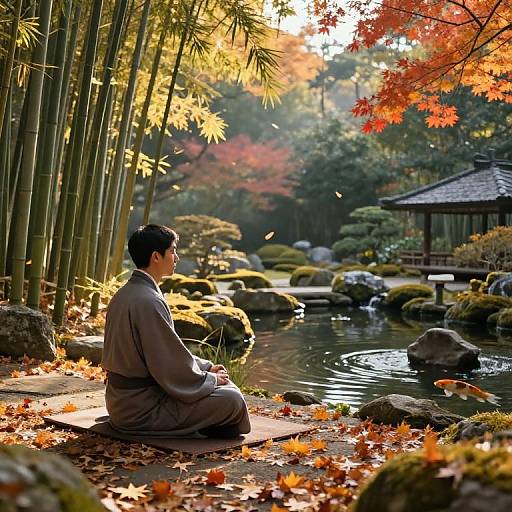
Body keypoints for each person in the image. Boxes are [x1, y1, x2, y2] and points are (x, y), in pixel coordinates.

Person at [101, 224, 251, 438]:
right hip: (140, 409)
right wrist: (208, 380)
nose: (176, 257)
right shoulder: (148, 300)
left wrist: (206, 367)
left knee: (226, 385)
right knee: (232, 400)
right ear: (156, 256)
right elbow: (167, 363)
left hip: (123, 401)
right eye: (172, 251)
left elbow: (168, 352)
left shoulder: (128, 293)